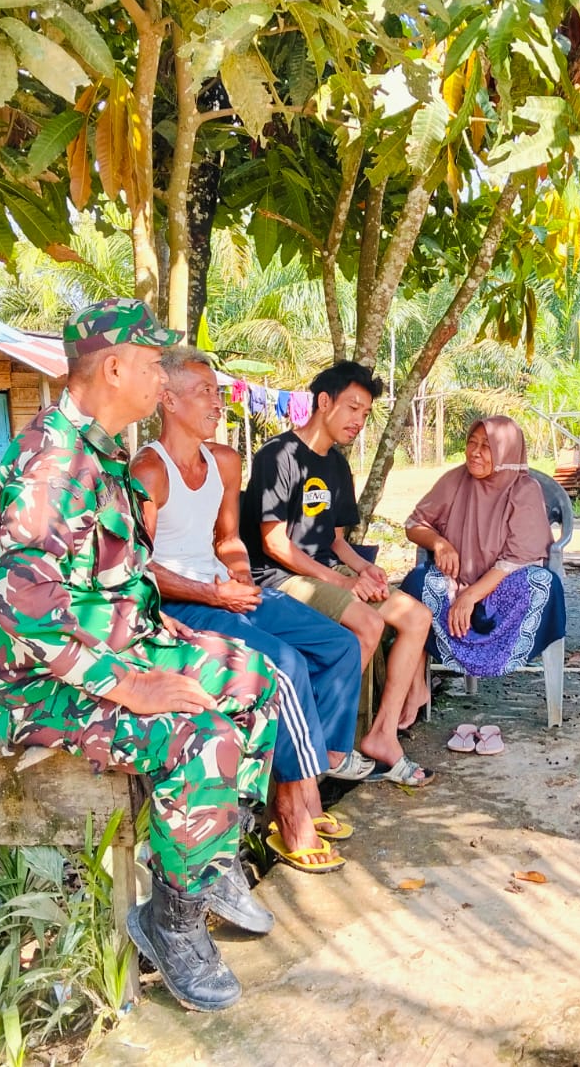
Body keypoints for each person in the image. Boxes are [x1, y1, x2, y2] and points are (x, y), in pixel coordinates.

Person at [0, 297, 278, 1012]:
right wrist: (132, 686)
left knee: (254, 677)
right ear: (113, 369)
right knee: (201, 734)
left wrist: (159, 650)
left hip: (116, 651)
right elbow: (29, 615)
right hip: (42, 685)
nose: (162, 380)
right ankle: (172, 923)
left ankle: (207, 860)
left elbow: (108, 585)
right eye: (152, 365)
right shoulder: (53, 468)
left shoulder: (98, 452)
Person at [133, 346, 363, 876]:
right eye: (204, 393)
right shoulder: (149, 470)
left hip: (225, 590)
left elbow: (228, 539)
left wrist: (238, 575)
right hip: (181, 604)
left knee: (338, 645)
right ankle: (293, 812)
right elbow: (138, 567)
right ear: (168, 400)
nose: (218, 403)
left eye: (218, 392)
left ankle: (306, 783)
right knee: (285, 664)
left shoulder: (224, 461)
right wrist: (214, 594)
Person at [240, 361, 435, 788]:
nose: (358, 421)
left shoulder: (337, 466)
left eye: (365, 413)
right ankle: (325, 743)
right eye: (352, 407)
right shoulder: (278, 456)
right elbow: (274, 545)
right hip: (278, 577)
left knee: (417, 617)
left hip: (324, 570)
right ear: (324, 402)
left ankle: (382, 735)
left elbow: (335, 540)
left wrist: (365, 568)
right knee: (368, 623)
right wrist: (344, 582)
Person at [401, 416, 566, 685]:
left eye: (486, 446)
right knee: (417, 582)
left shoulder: (524, 490)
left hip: (503, 588)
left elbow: (517, 558)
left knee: (544, 584)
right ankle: (419, 685)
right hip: (454, 583)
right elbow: (414, 524)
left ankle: (498, 656)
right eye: (472, 442)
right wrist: (439, 543)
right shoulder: (454, 480)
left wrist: (471, 596)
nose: (475, 452)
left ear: (506, 452)